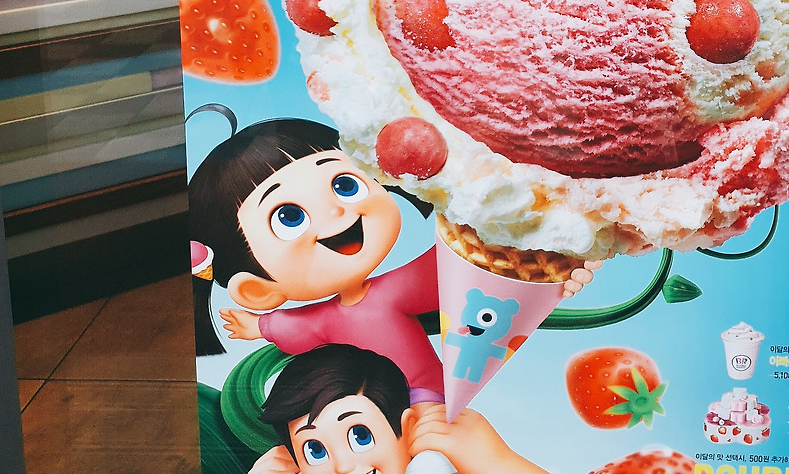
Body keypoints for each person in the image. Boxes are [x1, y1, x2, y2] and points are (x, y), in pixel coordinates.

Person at [187, 113, 595, 402]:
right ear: (257, 290)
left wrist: (548, 264)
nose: (336, 212)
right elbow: (300, 327)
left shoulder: (399, 288)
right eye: (289, 217)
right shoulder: (331, 317)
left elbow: (464, 270)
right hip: (374, 416)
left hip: (427, 397)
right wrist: (260, 325)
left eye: (344, 185)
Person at [236, 345, 604, 474]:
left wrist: (498, 466)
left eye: (360, 435)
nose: (343, 466)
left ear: (409, 428)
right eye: (315, 449)